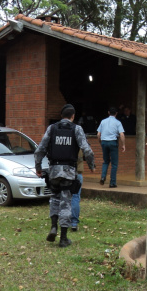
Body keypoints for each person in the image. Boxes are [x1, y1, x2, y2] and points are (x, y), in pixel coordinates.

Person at [35, 104, 95, 247]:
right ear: (73, 116)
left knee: (54, 199)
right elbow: (88, 151)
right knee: (66, 202)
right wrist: (91, 166)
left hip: (54, 171)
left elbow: (40, 149)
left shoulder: (52, 128)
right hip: (69, 171)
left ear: (61, 116)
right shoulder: (77, 129)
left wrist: (38, 167)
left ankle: (53, 226)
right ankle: (63, 238)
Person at [96, 106, 125, 188]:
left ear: (108, 113)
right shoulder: (118, 122)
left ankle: (103, 176)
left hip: (104, 142)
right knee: (114, 163)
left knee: (105, 161)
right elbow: (121, 134)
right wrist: (123, 145)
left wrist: (100, 142)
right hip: (113, 142)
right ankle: (112, 182)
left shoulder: (103, 121)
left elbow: (98, 134)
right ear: (116, 113)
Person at [70, 149, 85, 232]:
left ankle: (63, 221)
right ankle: (74, 223)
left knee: (64, 197)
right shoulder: (79, 138)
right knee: (75, 197)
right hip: (77, 172)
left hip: (63, 172)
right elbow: (88, 152)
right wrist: (92, 165)